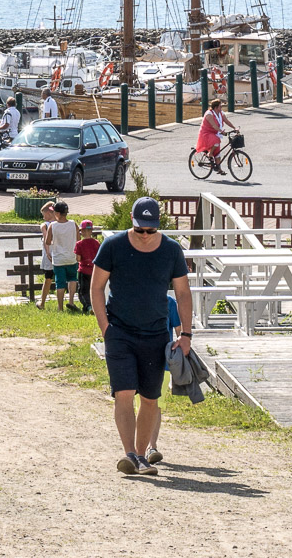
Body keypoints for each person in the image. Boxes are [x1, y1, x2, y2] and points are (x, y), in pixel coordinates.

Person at [90, 196, 191, 476]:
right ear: (132, 224)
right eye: (140, 230)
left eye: (150, 230)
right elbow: (96, 287)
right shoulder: (113, 246)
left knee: (149, 398)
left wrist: (186, 333)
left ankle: (142, 455)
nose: (145, 235)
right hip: (119, 332)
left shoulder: (171, 250)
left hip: (156, 334)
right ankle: (131, 454)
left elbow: (183, 293)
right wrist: (105, 329)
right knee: (124, 393)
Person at [46, 201, 81, 311]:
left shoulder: (53, 226)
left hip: (58, 259)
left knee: (60, 283)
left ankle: (60, 307)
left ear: (57, 213)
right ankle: (71, 301)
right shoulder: (73, 224)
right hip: (71, 257)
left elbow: (47, 241)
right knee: (72, 279)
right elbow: (78, 240)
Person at [196, 98, 233, 175]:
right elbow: (214, 125)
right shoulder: (209, 114)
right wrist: (221, 131)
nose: (221, 108)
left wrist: (234, 128)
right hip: (206, 133)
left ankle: (219, 169)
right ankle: (210, 154)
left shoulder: (220, 113)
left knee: (218, 152)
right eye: (220, 106)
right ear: (216, 107)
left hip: (215, 133)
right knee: (216, 141)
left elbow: (226, 121)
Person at [74, 219, 101, 315]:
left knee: (83, 291)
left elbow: (78, 258)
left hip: (83, 270)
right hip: (94, 270)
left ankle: (88, 306)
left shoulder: (79, 244)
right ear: (91, 231)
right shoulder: (96, 243)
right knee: (93, 289)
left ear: (82, 231)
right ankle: (95, 306)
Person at [35, 202, 57, 308]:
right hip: (59, 253)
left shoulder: (45, 225)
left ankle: (42, 301)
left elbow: (45, 239)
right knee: (61, 277)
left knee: (48, 278)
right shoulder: (60, 223)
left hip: (50, 254)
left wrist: (48, 253)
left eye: (44, 214)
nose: (43, 217)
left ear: (48, 213)